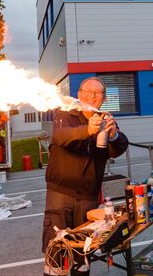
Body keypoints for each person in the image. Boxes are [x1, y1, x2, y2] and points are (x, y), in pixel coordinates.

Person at [42, 76, 129, 275]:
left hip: (88, 198)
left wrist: (113, 134)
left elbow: (119, 147)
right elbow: (61, 137)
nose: (91, 96)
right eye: (87, 92)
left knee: (82, 254)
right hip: (60, 196)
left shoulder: (106, 118)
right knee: (57, 251)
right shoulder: (65, 115)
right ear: (79, 95)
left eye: (97, 93)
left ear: (103, 98)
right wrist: (87, 130)